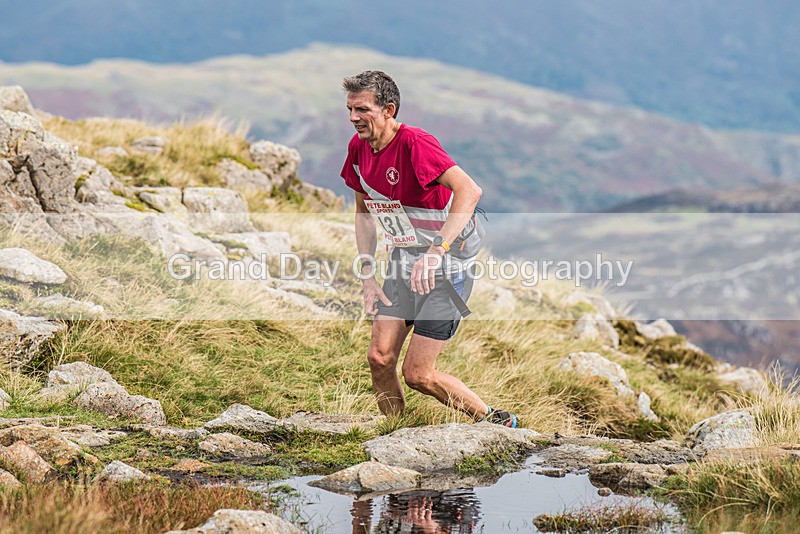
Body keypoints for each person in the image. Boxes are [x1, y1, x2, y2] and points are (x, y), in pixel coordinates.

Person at [340, 70, 517, 427]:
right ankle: (396, 432)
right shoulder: (358, 148)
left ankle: (498, 421)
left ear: (389, 110)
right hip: (404, 261)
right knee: (379, 357)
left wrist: (436, 252)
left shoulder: (415, 143)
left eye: (362, 110)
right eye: (349, 109)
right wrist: (367, 276)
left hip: (447, 266)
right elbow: (364, 214)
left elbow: (470, 191)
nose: (353, 118)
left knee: (418, 374)